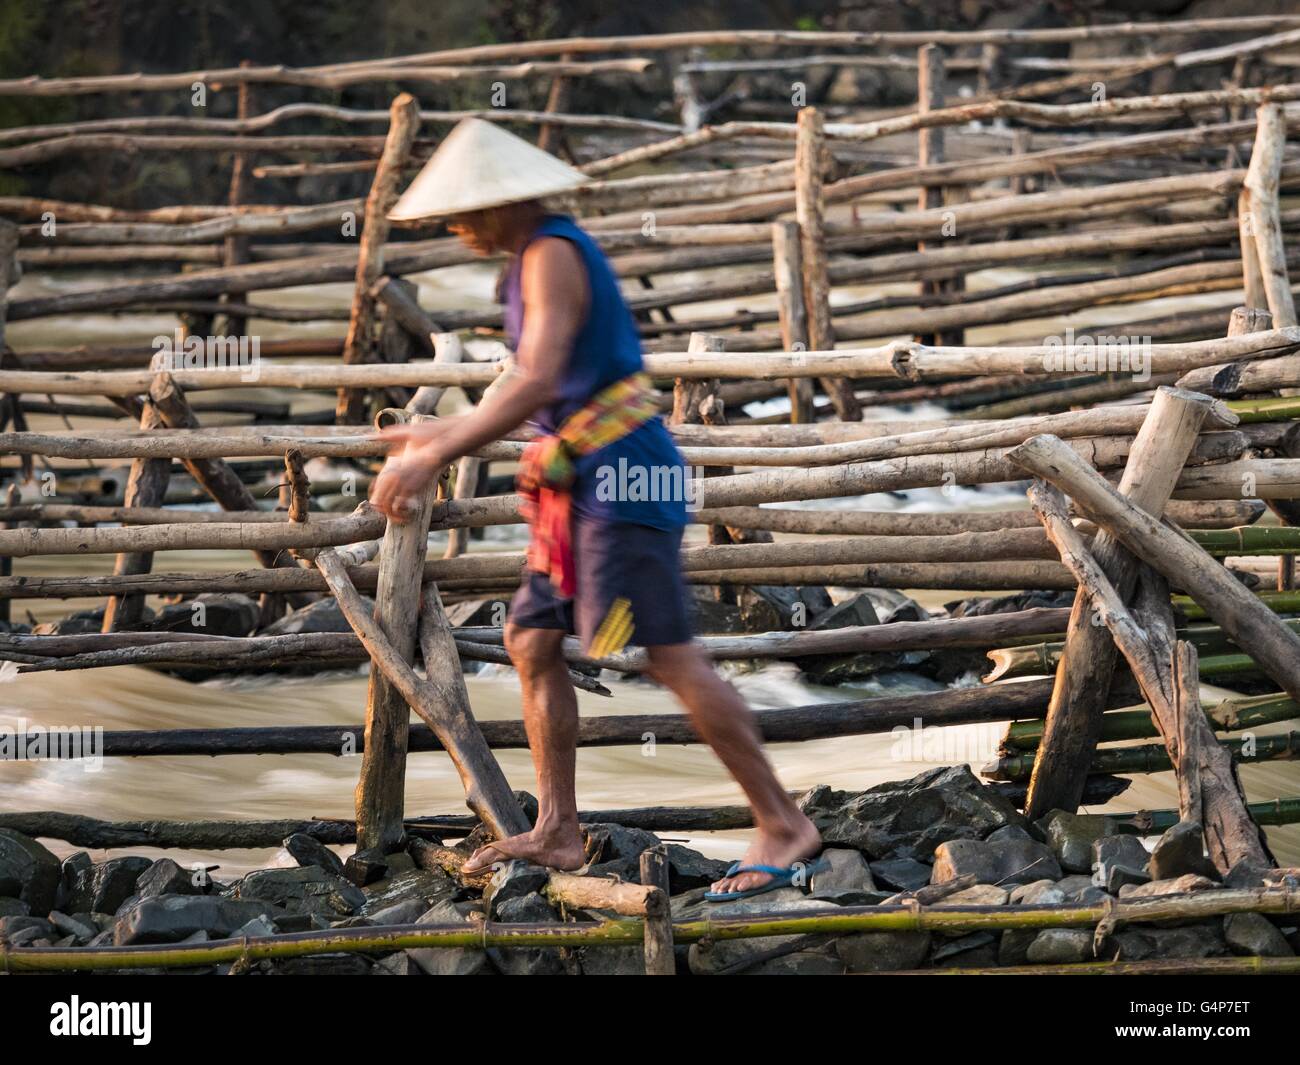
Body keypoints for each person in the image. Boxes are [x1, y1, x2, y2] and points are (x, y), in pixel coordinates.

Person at [372, 118, 821, 899]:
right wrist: (437, 430)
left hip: (625, 478)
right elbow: (538, 388)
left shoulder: (550, 253)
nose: (455, 225)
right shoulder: (527, 261)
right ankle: (558, 826)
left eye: (464, 210)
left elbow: (539, 378)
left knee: (666, 652)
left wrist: (437, 452)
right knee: (532, 639)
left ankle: (783, 821)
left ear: (504, 201)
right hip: (581, 482)